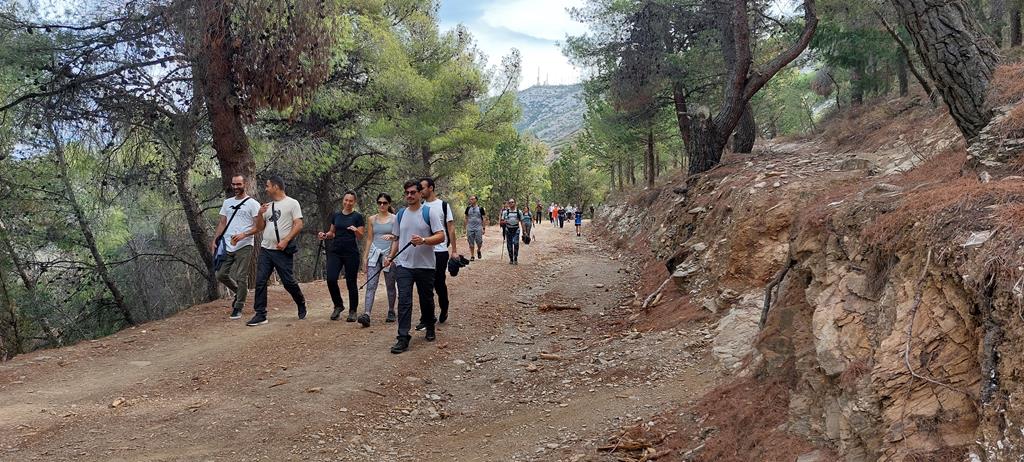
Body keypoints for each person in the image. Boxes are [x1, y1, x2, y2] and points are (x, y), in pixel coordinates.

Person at [387, 180, 445, 354]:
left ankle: (430, 325)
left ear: (420, 194)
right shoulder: (400, 214)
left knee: (426, 299)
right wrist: (390, 257)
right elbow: (397, 238)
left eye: (413, 192)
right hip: (403, 265)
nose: (410, 195)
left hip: (425, 266)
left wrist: (424, 240)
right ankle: (403, 337)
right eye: (407, 193)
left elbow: (441, 236)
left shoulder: (429, 212)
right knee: (404, 300)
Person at [248, 175, 307, 326]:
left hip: (282, 250)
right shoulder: (267, 206)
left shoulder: (292, 203)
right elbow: (260, 227)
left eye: (268, 186)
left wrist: (286, 240)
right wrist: (260, 213)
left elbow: (298, 224)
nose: (266, 189)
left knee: (288, 282)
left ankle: (300, 302)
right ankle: (260, 314)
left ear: (276, 187)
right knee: (260, 281)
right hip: (266, 249)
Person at [212, 174, 261, 319]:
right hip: (227, 244)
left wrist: (244, 235)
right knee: (220, 274)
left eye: (238, 184)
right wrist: (215, 240)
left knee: (241, 276)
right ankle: (240, 291)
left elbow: (258, 226)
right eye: (233, 184)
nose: (235, 187)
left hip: (244, 245)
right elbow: (222, 222)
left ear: (245, 184)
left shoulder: (253, 204)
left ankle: (238, 306)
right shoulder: (227, 202)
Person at [318, 191, 365, 322]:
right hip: (336, 251)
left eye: (351, 201)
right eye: (346, 200)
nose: (348, 203)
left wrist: (356, 230)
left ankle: (353, 311)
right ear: (343, 200)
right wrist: (325, 235)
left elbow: (361, 236)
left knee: (351, 282)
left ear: (354, 202)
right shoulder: (336, 215)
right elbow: (332, 232)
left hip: (351, 253)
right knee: (331, 279)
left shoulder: (357, 217)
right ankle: (338, 305)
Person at [419, 177, 459, 327]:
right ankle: (428, 316)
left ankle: (444, 307)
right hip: (424, 250)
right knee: (425, 285)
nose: (420, 191)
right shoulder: (420, 207)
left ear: (431, 188)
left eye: (422, 188)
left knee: (439, 282)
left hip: (440, 250)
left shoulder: (443, 205)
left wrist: (454, 250)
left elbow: (451, 228)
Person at [361, 193, 398, 326]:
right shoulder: (372, 219)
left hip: (389, 254)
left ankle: (391, 310)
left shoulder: (395, 219)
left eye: (385, 203)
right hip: (374, 253)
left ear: (389, 204)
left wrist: (392, 252)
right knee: (371, 284)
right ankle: (366, 314)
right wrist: (365, 257)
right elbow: (369, 238)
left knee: (390, 285)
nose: (382, 205)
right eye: (379, 202)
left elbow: (398, 237)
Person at [501, 199, 524, 264]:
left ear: (515, 203)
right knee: (509, 244)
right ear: (508, 204)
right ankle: (511, 258)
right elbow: (501, 221)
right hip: (508, 229)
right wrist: (504, 222)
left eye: (512, 202)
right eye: (510, 202)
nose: (511, 203)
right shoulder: (505, 212)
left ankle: (515, 258)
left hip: (516, 229)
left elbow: (522, 221)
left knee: (516, 243)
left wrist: (524, 231)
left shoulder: (519, 212)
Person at [465, 195, 486, 261]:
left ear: (476, 200)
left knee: (479, 242)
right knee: (470, 242)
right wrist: (465, 228)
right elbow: (466, 218)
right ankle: (472, 256)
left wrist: (483, 228)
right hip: (470, 228)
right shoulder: (468, 208)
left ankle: (478, 250)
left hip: (478, 227)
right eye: (470, 199)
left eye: (472, 199)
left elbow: (484, 218)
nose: (471, 200)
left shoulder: (480, 208)